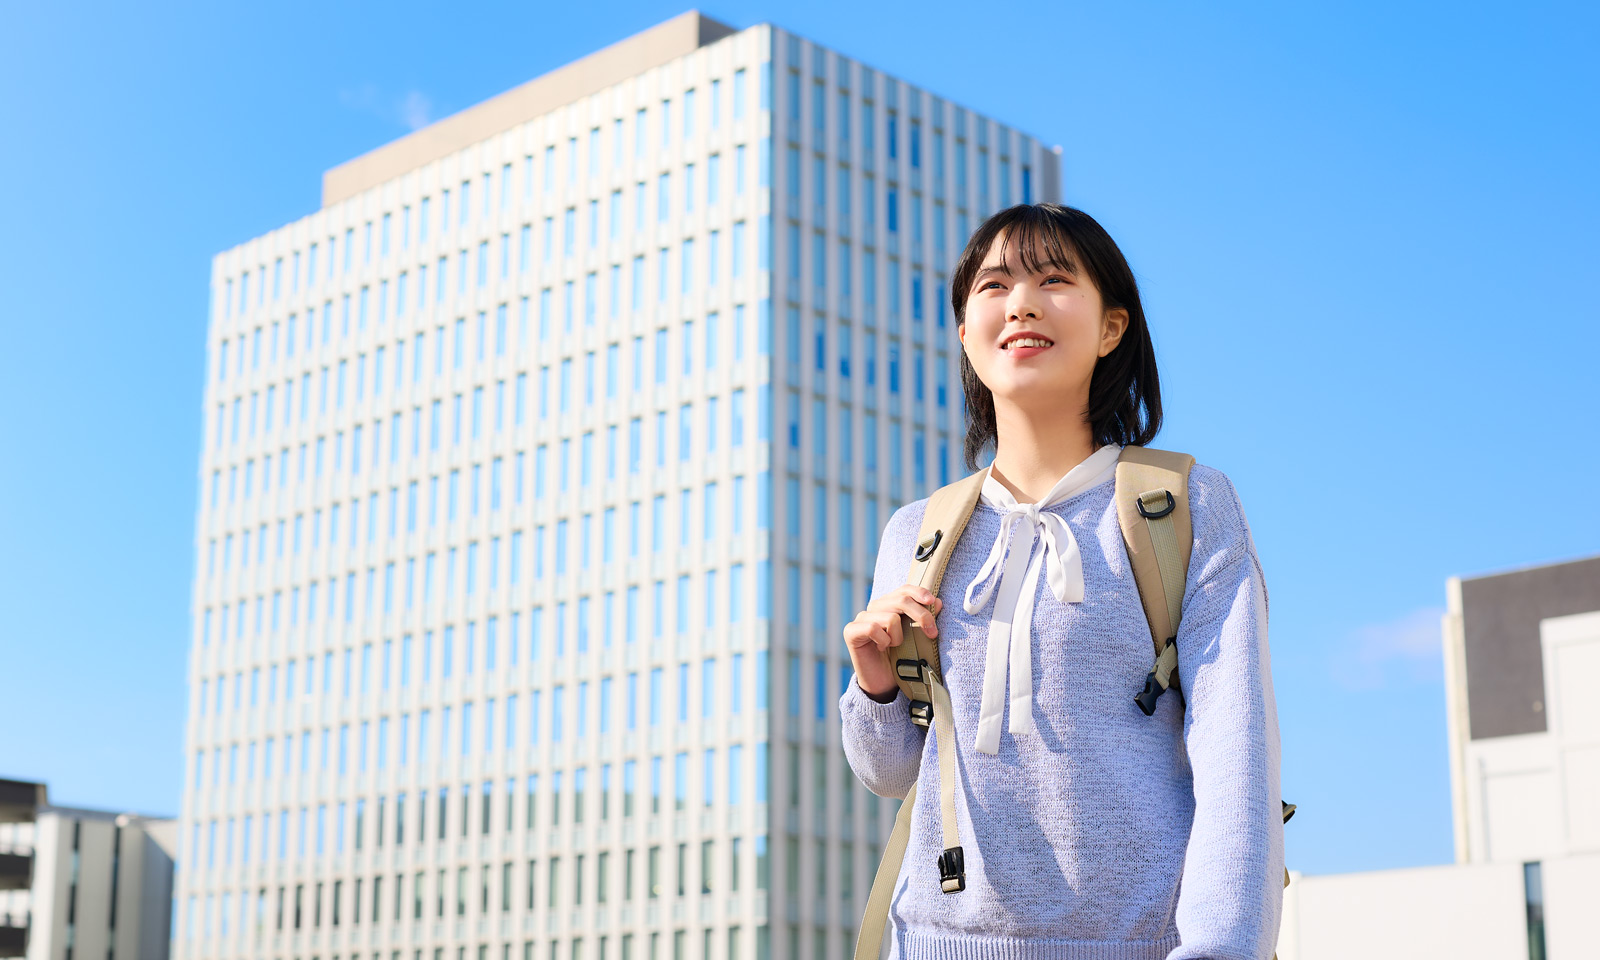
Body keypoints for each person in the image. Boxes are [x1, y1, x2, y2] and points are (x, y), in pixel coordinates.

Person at [840, 203, 1284, 960]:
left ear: (1113, 327)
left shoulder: (1186, 507)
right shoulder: (918, 530)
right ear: (963, 332)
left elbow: (1237, 753)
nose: (1021, 302)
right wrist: (876, 685)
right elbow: (887, 775)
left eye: (1054, 279)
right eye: (994, 285)